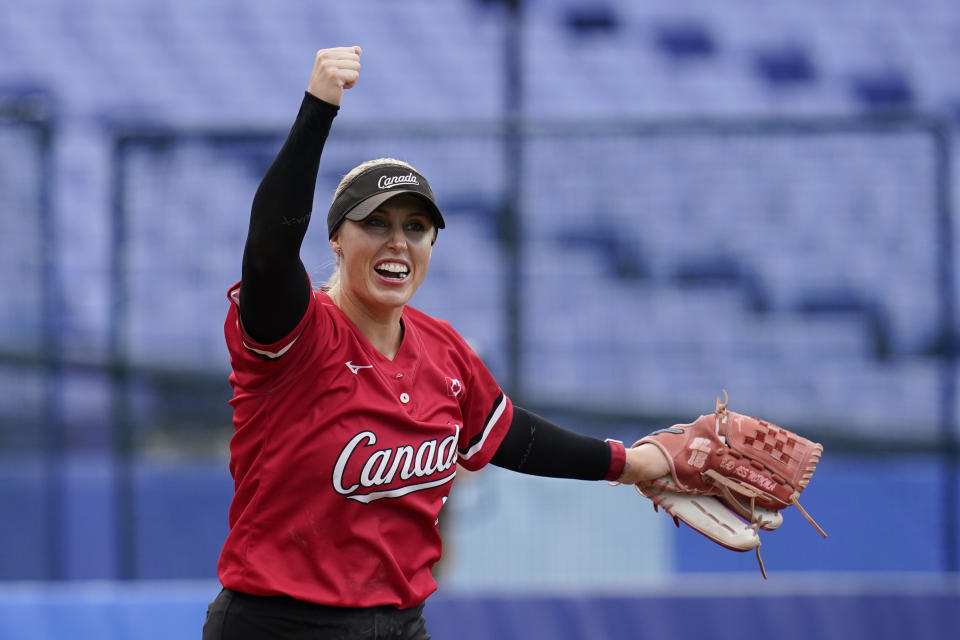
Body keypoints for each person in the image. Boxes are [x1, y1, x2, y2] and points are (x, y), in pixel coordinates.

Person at [202, 45, 670, 640]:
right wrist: (319, 107)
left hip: (400, 624)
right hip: (280, 624)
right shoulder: (298, 334)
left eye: (416, 229)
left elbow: (512, 438)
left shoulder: (443, 351)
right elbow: (269, 250)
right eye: (376, 223)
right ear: (337, 241)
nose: (398, 242)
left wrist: (628, 464)